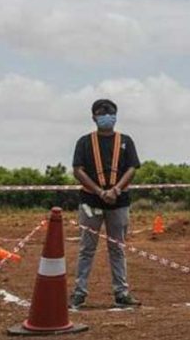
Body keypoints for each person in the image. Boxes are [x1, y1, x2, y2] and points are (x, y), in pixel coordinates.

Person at [69, 98, 142, 309]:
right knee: (86, 249)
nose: (107, 116)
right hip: (90, 202)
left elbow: (132, 168)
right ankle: (79, 293)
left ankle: (121, 292)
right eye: (102, 113)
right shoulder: (84, 142)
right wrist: (100, 191)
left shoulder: (126, 140)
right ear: (94, 117)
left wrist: (116, 189)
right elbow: (77, 170)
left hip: (119, 203)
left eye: (110, 112)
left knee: (117, 248)